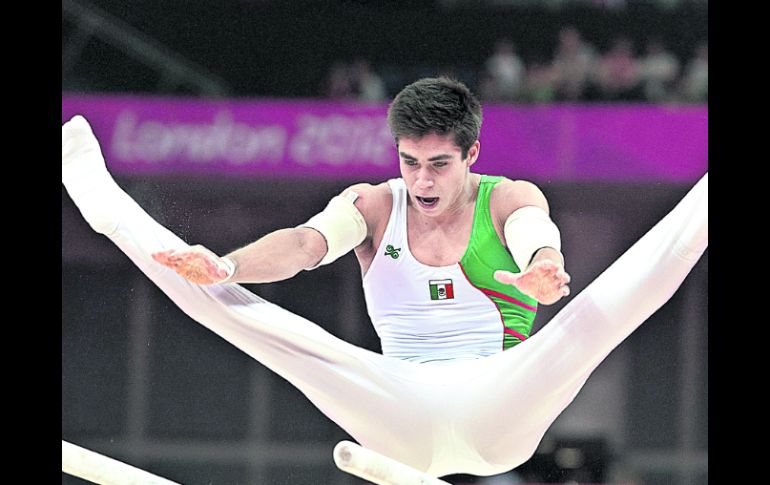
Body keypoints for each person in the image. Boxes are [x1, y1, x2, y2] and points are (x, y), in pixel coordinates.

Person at [61, 77, 707, 479]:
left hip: (500, 399)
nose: (422, 181)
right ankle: (106, 207)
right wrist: (230, 265)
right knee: (229, 302)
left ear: (472, 154)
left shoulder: (507, 198)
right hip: (396, 406)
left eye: (439, 164)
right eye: (409, 161)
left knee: (608, 306)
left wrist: (543, 263)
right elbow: (305, 244)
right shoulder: (374, 206)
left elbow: (534, 231)